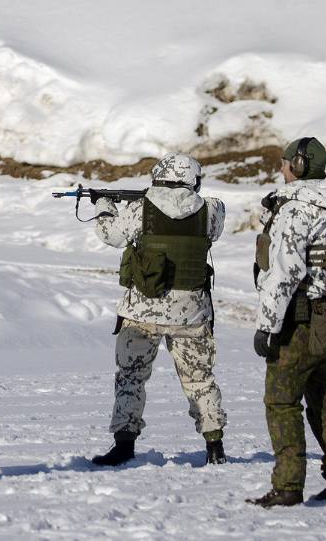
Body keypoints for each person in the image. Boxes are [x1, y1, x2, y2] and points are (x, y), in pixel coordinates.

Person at [89, 153, 229, 467]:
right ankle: (214, 445)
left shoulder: (139, 210)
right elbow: (208, 229)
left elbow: (110, 235)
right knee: (200, 380)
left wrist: (104, 205)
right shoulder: (212, 211)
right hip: (191, 313)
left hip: (142, 313)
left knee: (130, 378)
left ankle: (124, 445)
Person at [248, 137, 326, 508]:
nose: (281, 169)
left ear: (298, 165)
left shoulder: (298, 209)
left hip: (298, 320)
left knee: (281, 402)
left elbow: (285, 271)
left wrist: (267, 325)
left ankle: (287, 487)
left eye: (285, 163)